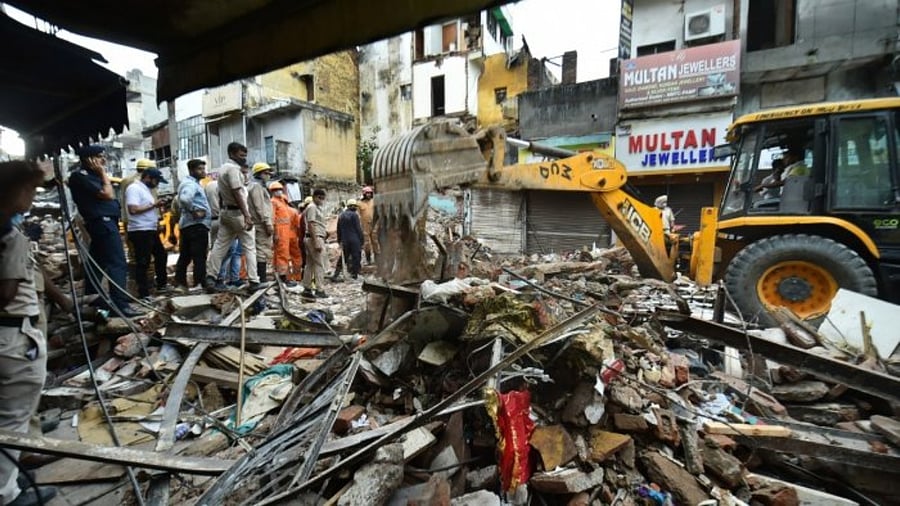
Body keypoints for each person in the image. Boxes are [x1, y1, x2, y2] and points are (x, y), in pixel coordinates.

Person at [0, 160, 59, 505]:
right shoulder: (10, 237)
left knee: (10, 415)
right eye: (32, 190)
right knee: (11, 418)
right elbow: (7, 292)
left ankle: (10, 472)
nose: (34, 198)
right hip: (11, 334)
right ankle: (6, 494)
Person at [67, 145, 142, 317]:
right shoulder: (80, 176)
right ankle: (120, 305)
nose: (104, 160)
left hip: (106, 223)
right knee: (118, 263)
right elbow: (108, 194)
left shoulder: (92, 176)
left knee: (96, 264)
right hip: (102, 222)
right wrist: (102, 173)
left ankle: (93, 301)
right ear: (89, 159)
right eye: (100, 157)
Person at [204, 142, 262, 292]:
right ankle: (254, 281)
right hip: (238, 213)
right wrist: (247, 215)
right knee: (249, 246)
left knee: (220, 246)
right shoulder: (233, 170)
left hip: (226, 213)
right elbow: (237, 193)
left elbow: (223, 193)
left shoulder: (222, 169)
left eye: (244, 156)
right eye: (241, 155)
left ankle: (211, 277)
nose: (243, 158)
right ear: (232, 154)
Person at [125, 168, 170, 299]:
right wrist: (154, 205)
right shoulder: (134, 188)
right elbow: (133, 209)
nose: (157, 184)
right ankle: (143, 293)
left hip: (149, 229)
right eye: (156, 181)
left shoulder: (146, 190)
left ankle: (162, 285)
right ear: (148, 177)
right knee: (143, 262)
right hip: (140, 231)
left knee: (161, 255)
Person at [173, 159, 211, 291]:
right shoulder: (190, 184)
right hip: (196, 225)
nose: (203, 172)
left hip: (189, 225)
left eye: (203, 169)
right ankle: (199, 283)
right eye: (200, 169)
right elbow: (184, 199)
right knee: (199, 255)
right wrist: (194, 210)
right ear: (192, 170)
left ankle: (181, 283)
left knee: (186, 255)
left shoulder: (192, 184)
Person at [269, 182, 302, 287]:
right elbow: (272, 218)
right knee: (282, 255)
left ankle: (283, 276)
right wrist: (275, 233)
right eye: (276, 190)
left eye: (280, 189)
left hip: (286, 232)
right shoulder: (274, 202)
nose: (279, 191)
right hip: (280, 231)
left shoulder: (282, 203)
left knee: (281, 255)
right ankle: (283, 277)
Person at [248, 163, 275, 283]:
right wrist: (267, 223)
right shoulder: (257, 187)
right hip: (260, 224)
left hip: (258, 222)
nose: (268, 176)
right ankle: (261, 278)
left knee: (260, 250)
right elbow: (260, 207)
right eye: (266, 173)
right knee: (261, 251)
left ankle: (259, 277)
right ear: (259, 174)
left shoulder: (255, 186)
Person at [301, 189, 329, 298]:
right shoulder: (312, 207)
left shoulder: (315, 207)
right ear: (314, 197)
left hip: (312, 238)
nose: (321, 200)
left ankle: (307, 288)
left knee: (310, 264)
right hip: (315, 238)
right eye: (319, 198)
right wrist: (316, 241)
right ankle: (319, 289)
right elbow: (311, 224)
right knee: (319, 264)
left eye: (323, 198)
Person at [119, 158, 157, 227]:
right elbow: (154, 202)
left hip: (128, 221)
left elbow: (123, 202)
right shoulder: (147, 181)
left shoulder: (125, 181)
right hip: (145, 223)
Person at [333, 199, 364, 281]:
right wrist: (362, 240)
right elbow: (358, 229)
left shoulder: (341, 215)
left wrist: (339, 240)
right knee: (356, 257)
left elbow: (338, 229)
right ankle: (354, 274)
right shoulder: (354, 215)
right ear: (352, 206)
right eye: (354, 206)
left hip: (345, 240)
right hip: (355, 240)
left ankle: (336, 274)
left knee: (343, 257)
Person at [357, 186, 377, 264]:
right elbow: (357, 215)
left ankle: (377, 259)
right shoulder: (359, 204)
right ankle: (368, 259)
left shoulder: (374, 202)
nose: (368, 195)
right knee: (367, 243)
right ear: (364, 194)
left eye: (370, 193)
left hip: (374, 224)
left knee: (375, 242)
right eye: (367, 193)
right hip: (364, 226)